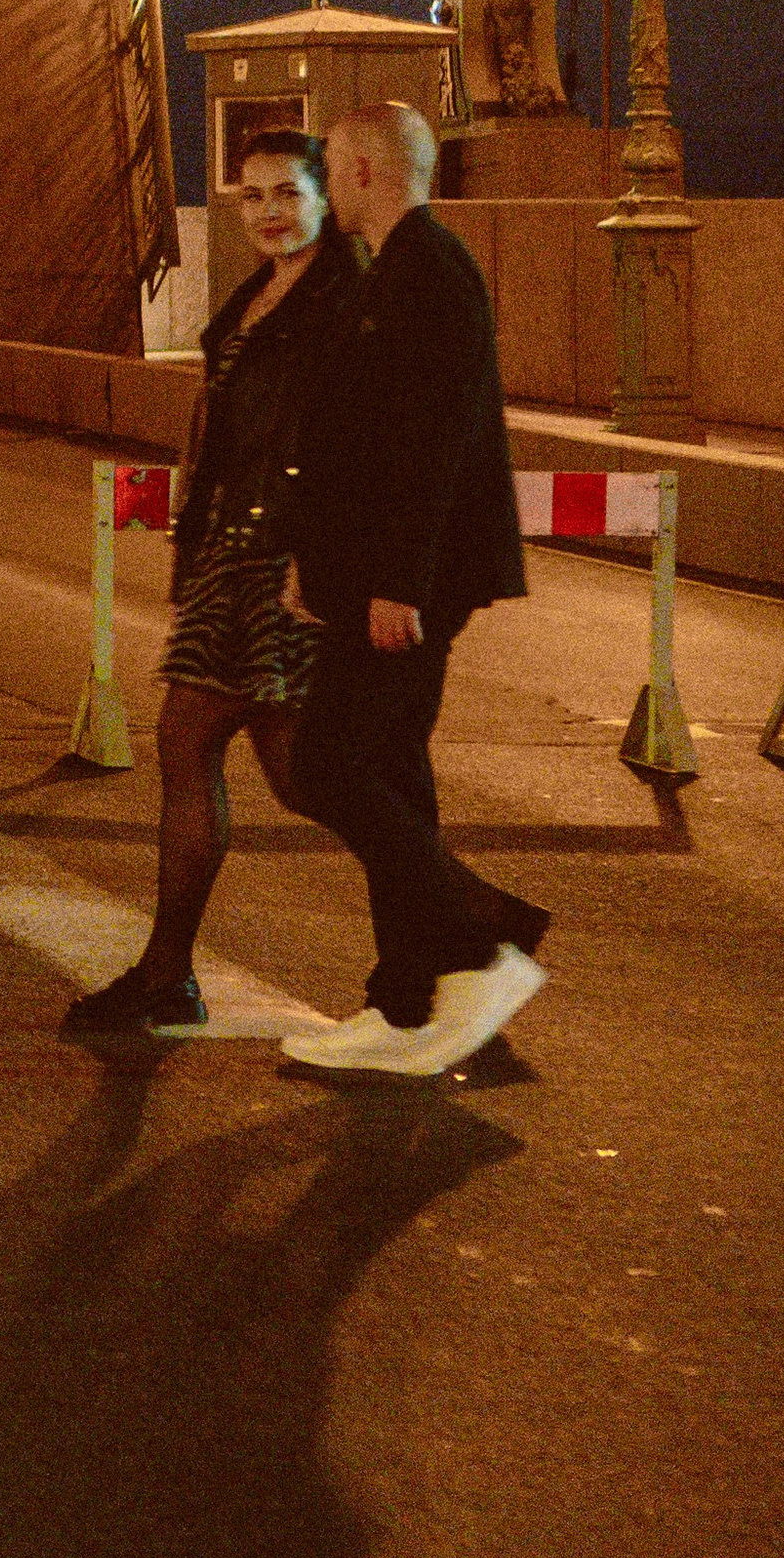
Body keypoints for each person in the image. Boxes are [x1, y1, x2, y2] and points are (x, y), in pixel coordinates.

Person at [272, 101, 549, 1078]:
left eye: (331, 165)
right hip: (388, 580)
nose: (325, 184)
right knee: (392, 771)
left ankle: (481, 942)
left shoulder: (427, 270)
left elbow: (429, 443)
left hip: (408, 587)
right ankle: (405, 1005)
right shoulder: (401, 267)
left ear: (361, 170)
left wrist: (395, 584)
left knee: (327, 766)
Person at [66, 130, 360, 1037]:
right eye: (253, 196)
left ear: (327, 200)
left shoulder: (340, 300)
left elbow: (341, 438)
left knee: (191, 740)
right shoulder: (258, 297)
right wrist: (194, 548)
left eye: (289, 193)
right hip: (236, 552)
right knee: (301, 777)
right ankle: (466, 926)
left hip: (279, 560)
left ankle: (167, 975)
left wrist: (317, 557)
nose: (269, 212)